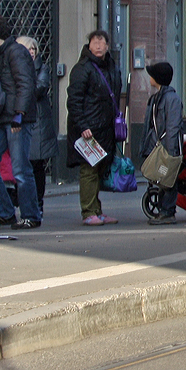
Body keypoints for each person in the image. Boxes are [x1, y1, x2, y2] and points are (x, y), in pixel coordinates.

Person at [0, 15, 41, 230]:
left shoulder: (14, 52)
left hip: (14, 118)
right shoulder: (4, 53)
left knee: (19, 168)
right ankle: (6, 212)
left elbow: (25, 84)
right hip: (4, 117)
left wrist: (19, 113)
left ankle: (30, 215)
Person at [65, 29, 122, 226]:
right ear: (89, 45)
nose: (98, 46)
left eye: (101, 42)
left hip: (105, 128)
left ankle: (97, 209)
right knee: (89, 169)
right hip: (88, 129)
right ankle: (88, 211)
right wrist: (82, 125)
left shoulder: (111, 66)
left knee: (99, 169)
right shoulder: (83, 68)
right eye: (94, 42)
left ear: (107, 45)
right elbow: (74, 100)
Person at [140, 61, 183, 224]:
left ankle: (167, 211)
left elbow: (172, 126)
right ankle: (164, 210)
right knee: (161, 179)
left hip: (165, 148)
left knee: (167, 178)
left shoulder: (170, 99)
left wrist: (171, 153)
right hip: (159, 147)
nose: (150, 77)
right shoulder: (157, 97)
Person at [17, 36, 56, 219]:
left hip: (38, 122)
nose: (31, 52)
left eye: (33, 49)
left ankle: (37, 203)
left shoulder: (41, 68)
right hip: (19, 121)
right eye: (28, 49)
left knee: (36, 164)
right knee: (22, 164)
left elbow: (39, 88)